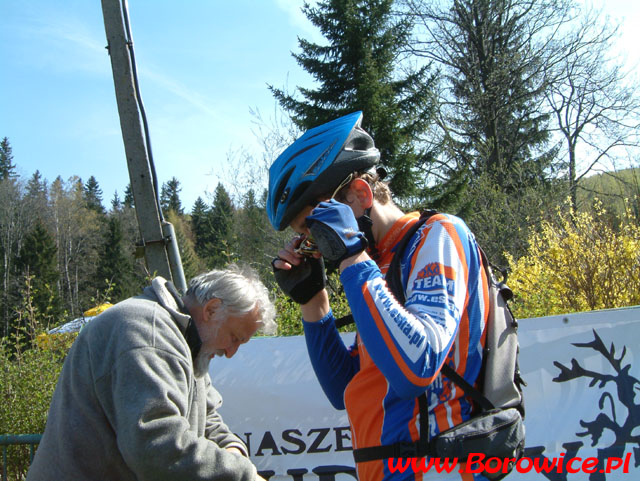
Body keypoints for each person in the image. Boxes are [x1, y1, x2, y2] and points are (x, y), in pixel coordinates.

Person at [268, 111, 490, 480]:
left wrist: (353, 258)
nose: (313, 247)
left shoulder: (437, 237)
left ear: (361, 194)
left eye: (314, 227)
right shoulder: (380, 263)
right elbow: (345, 389)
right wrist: (313, 301)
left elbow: (415, 369)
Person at [27, 264, 276, 481]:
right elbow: (156, 446)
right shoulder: (150, 333)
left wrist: (233, 450)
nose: (231, 352)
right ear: (211, 310)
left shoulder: (188, 343)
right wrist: (244, 476)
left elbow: (207, 418)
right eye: (234, 338)